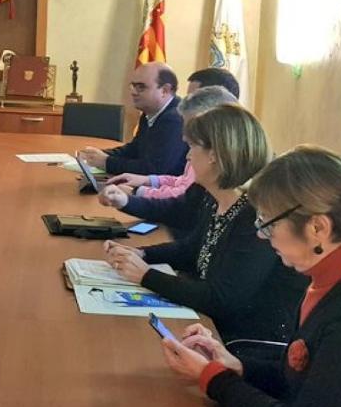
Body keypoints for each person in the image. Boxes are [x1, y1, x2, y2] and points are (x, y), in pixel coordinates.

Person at [158, 146, 341, 407]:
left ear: (318, 227)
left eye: (268, 223)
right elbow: (300, 376)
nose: (260, 235)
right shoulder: (334, 276)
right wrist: (236, 366)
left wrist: (213, 377)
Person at [101, 105, 305, 346]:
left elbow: (222, 299)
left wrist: (146, 275)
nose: (187, 157)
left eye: (192, 147)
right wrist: (142, 253)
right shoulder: (214, 196)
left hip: (242, 341)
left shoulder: (256, 215)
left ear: (214, 155)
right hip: (207, 322)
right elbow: (191, 249)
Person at [106, 86, 239, 201]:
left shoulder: (212, 156)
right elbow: (182, 181)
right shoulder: (201, 150)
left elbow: (183, 195)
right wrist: (148, 180)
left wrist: (137, 192)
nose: (184, 136)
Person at [79, 62, 187, 176]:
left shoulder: (175, 119)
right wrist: (100, 154)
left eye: (141, 87)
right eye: (133, 86)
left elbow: (155, 169)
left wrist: (107, 162)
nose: (133, 92)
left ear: (164, 90)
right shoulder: (149, 112)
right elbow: (135, 149)